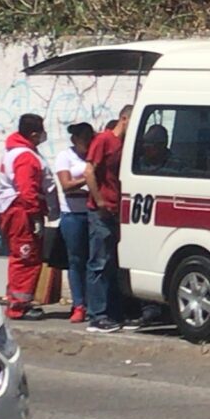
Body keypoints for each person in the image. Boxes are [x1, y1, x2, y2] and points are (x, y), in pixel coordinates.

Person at [0, 114, 56, 320]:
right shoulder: (26, 157)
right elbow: (27, 190)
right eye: (41, 132)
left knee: (22, 257)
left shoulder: (17, 151)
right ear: (33, 134)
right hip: (22, 211)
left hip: (17, 210)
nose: (43, 136)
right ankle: (19, 306)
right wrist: (35, 217)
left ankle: (18, 301)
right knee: (26, 257)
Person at [83, 105, 133, 333]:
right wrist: (99, 200)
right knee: (99, 262)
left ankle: (113, 311)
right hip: (101, 211)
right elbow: (89, 171)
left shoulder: (125, 145)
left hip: (117, 211)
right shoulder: (104, 140)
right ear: (124, 118)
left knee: (112, 263)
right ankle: (96, 315)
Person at [55, 122, 95, 323]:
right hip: (73, 215)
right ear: (74, 140)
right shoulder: (66, 156)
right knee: (76, 260)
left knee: (94, 260)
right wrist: (88, 180)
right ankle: (79, 304)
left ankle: (93, 303)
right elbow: (66, 185)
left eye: (90, 137)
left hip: (92, 213)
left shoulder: (93, 156)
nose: (87, 142)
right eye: (83, 138)